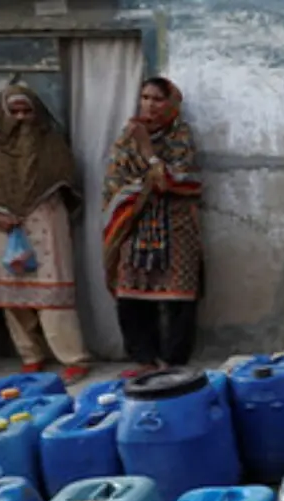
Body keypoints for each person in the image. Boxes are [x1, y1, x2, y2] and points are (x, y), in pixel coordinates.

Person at [0, 82, 93, 382]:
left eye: (27, 111)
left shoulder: (52, 144)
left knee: (53, 295)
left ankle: (73, 357)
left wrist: (36, 204)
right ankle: (30, 355)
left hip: (45, 220)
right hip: (2, 225)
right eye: (13, 111)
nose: (21, 118)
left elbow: (68, 183)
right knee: (13, 296)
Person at [103, 77, 203, 371]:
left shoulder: (180, 135)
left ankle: (173, 361)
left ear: (171, 103)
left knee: (179, 298)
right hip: (133, 224)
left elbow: (184, 180)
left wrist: (148, 151)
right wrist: (138, 190)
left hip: (175, 226)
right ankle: (144, 359)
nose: (149, 104)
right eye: (145, 97)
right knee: (130, 295)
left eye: (157, 99)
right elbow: (114, 181)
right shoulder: (127, 136)